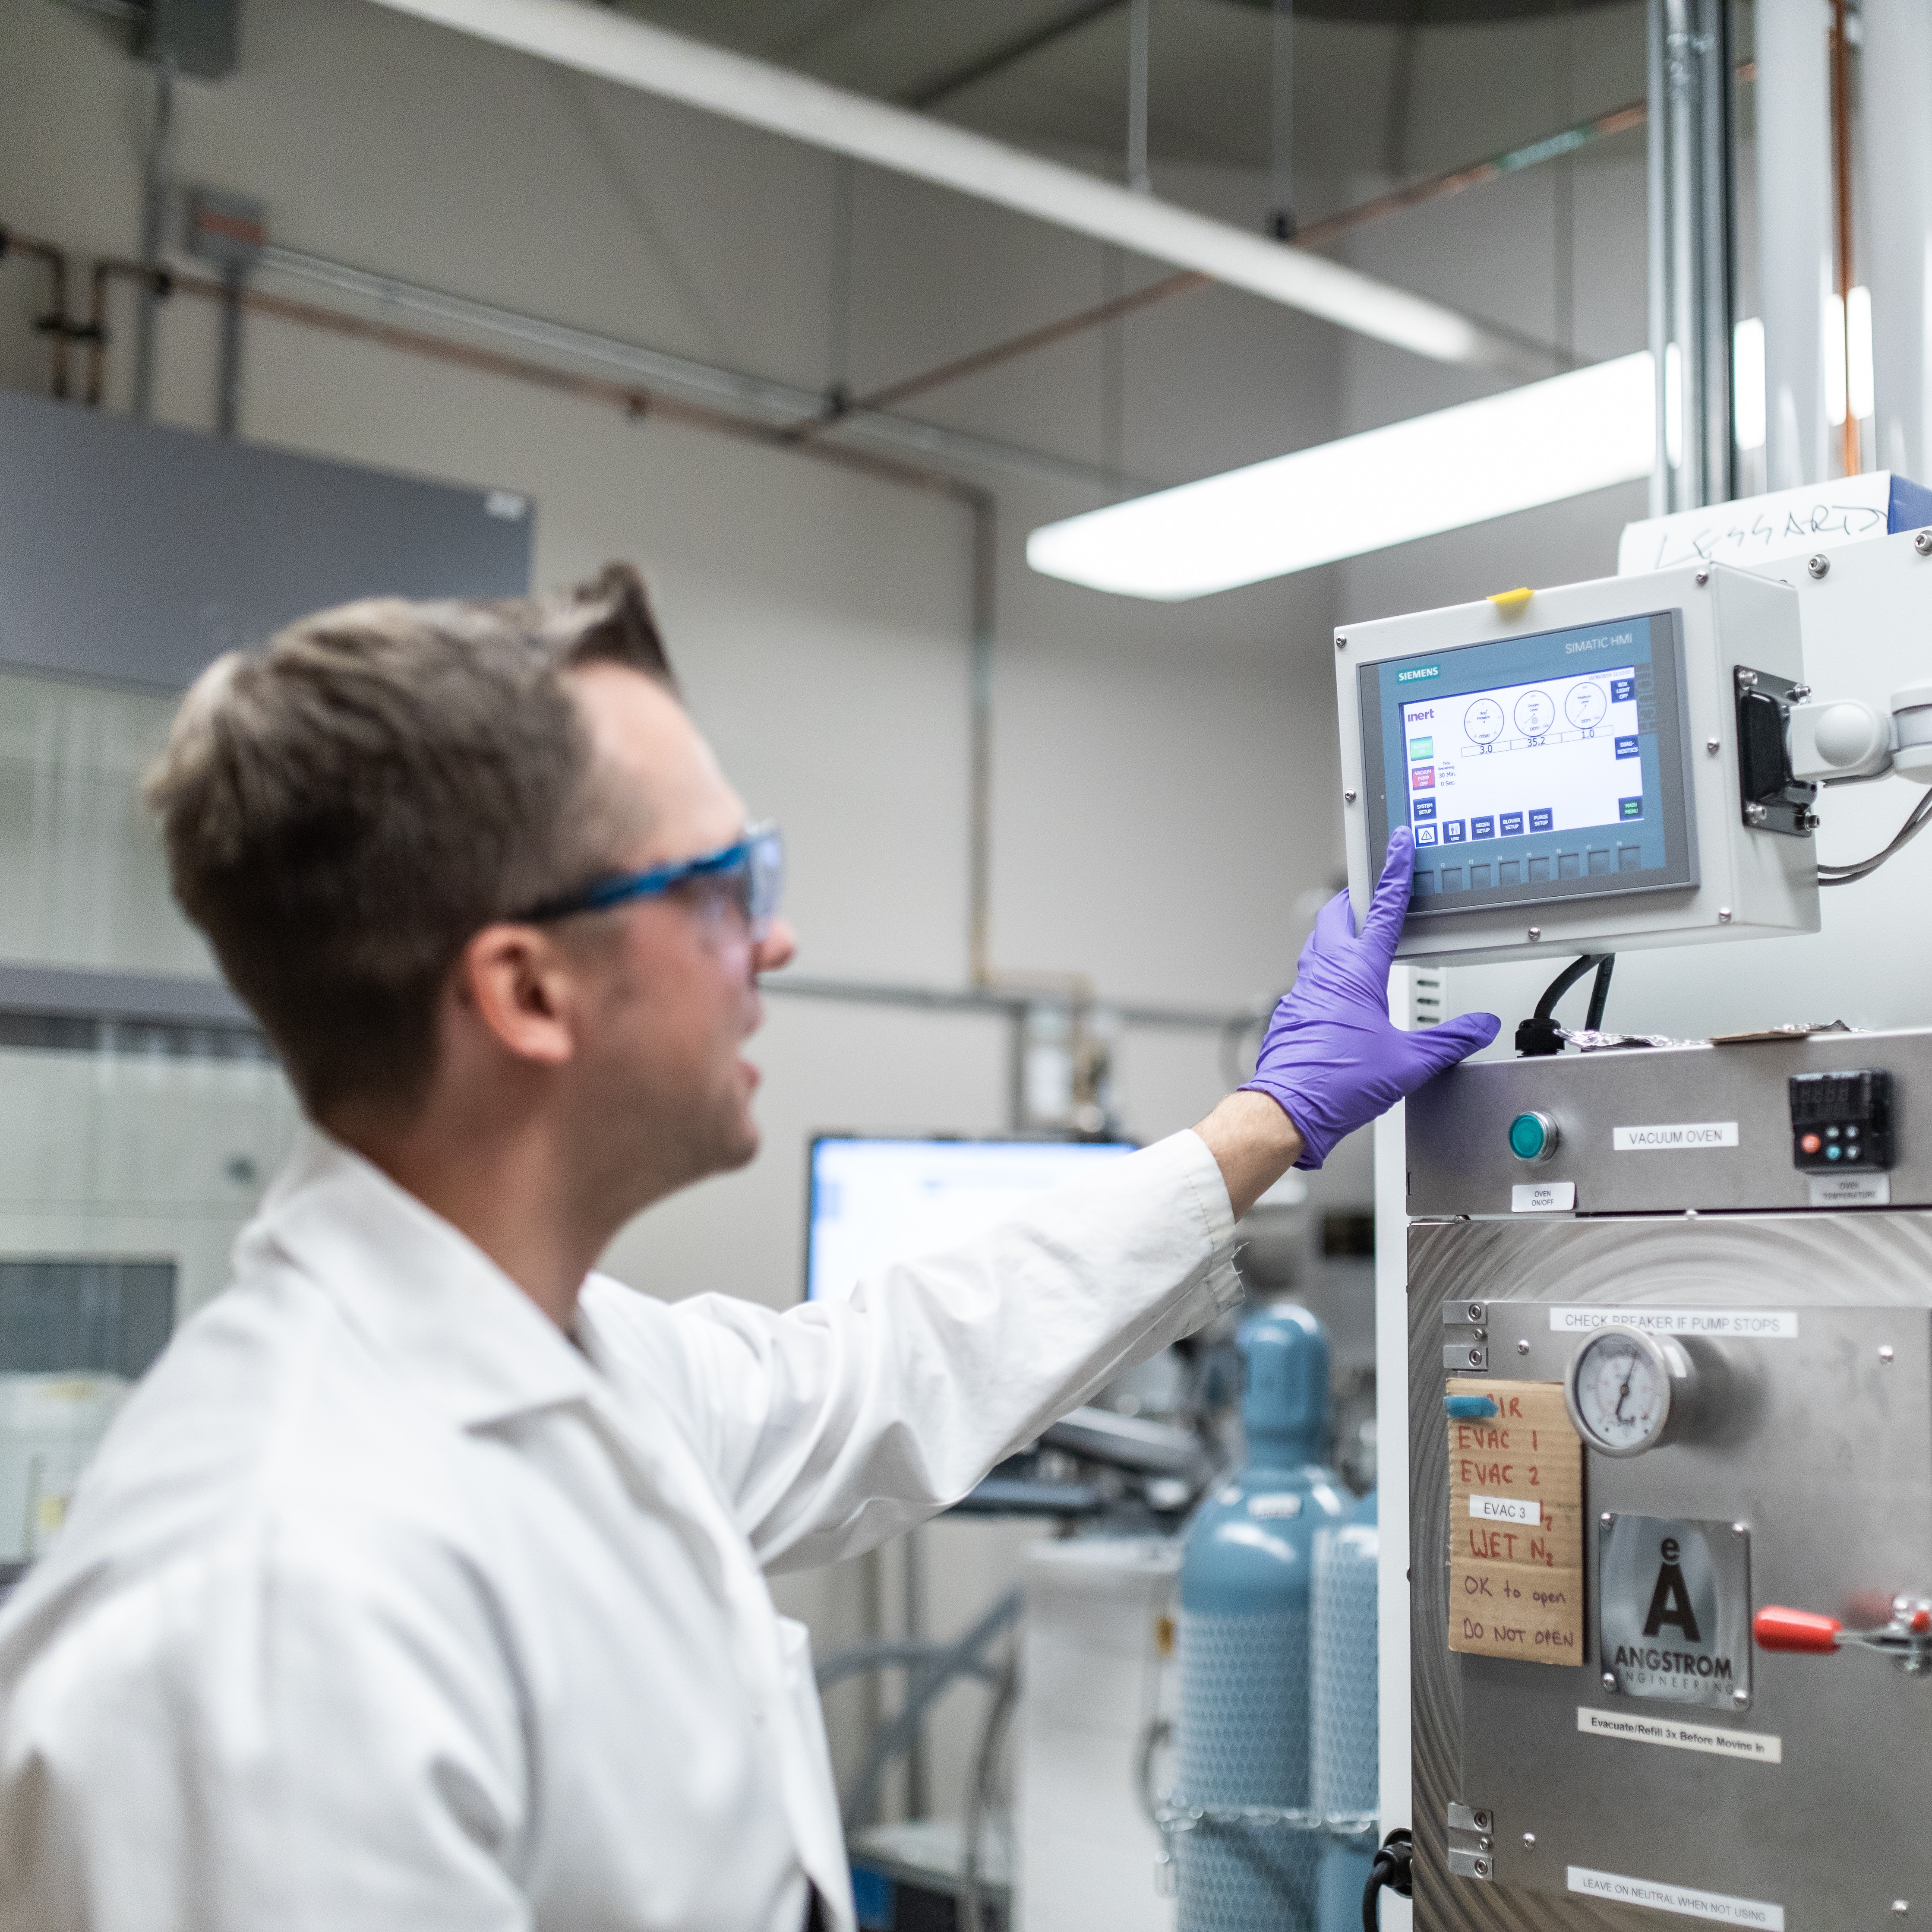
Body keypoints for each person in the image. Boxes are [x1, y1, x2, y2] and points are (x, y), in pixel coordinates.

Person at [0, 564, 1496, 1931]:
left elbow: (878, 1370)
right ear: (527, 990)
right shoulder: (262, 1605)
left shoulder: (576, 1360)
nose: (774, 944)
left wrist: (1264, 1124)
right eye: (720, 889)